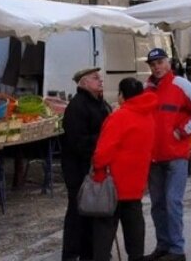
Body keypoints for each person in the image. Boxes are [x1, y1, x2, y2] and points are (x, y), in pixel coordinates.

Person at [145, 47, 191, 261]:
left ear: (168, 63)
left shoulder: (181, 84)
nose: (157, 67)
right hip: (154, 155)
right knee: (157, 204)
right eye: (153, 64)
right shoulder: (148, 88)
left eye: (160, 62)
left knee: (172, 202)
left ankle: (177, 249)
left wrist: (183, 131)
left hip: (175, 154)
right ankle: (163, 245)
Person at [90, 77, 158, 261]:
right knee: (134, 223)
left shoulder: (119, 117)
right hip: (137, 181)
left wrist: (97, 166)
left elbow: (103, 152)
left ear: (122, 95)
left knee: (104, 228)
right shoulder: (148, 115)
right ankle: (136, 257)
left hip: (114, 182)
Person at [61, 67, 111, 261]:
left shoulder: (100, 102)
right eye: (95, 78)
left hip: (93, 165)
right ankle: (72, 253)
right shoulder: (77, 106)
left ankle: (88, 252)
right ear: (83, 83)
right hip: (78, 168)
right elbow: (76, 141)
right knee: (77, 211)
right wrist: (103, 138)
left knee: (91, 210)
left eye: (100, 77)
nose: (100, 80)